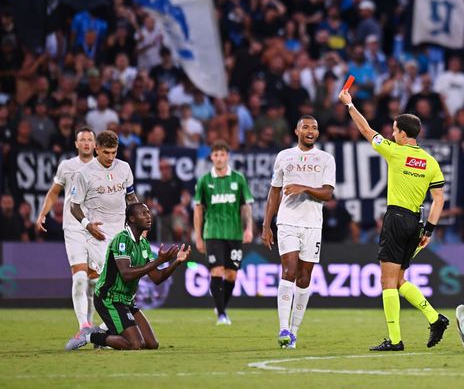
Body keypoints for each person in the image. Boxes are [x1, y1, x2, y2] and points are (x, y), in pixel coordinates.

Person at [338, 88, 449, 351]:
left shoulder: (395, 152)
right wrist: (430, 230)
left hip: (396, 219)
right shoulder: (430, 162)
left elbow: (366, 131)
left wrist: (350, 105)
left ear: (401, 133)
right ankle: (435, 318)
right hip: (416, 222)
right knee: (398, 281)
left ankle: (396, 340)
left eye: (394, 130)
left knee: (387, 282)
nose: (391, 133)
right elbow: (439, 199)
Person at [65, 203, 191, 350]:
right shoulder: (122, 240)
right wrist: (158, 261)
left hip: (127, 301)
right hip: (109, 299)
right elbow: (126, 274)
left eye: (148, 213)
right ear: (131, 219)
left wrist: (176, 262)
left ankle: (105, 333)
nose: (148, 216)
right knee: (135, 344)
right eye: (143, 214)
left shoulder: (143, 244)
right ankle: (88, 336)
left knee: (152, 344)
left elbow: (156, 278)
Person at [262, 115, 336, 349]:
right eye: (306, 127)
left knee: (304, 279)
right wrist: (266, 225)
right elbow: (274, 192)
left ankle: (293, 332)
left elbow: (327, 194)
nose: (311, 130)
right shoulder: (284, 157)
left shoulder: (326, 159)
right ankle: (283, 328)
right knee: (289, 271)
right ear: (297, 131)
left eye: (315, 127)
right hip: (287, 222)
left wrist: (304, 187)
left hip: (313, 224)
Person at [35, 127, 101, 342]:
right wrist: (43, 214)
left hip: (96, 229)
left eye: (90, 140)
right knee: (80, 278)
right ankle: (83, 325)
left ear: (94, 144)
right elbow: (54, 192)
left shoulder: (102, 166)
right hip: (73, 227)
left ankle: (89, 329)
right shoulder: (67, 166)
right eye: (82, 140)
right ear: (76, 144)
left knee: (93, 282)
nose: (86, 143)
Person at [194, 140, 254, 325]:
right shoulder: (204, 180)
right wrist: (198, 236)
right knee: (217, 271)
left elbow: (245, 206)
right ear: (211, 157)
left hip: (234, 233)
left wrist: (249, 228)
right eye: (216, 155)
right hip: (212, 232)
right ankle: (221, 314)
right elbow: (198, 209)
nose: (219, 158)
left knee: (231, 275)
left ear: (227, 156)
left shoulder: (238, 178)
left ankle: (221, 307)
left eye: (222, 155)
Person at [69, 130, 138, 279]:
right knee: (108, 273)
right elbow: (74, 206)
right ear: (97, 148)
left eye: (114, 152)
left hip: (122, 231)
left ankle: (111, 300)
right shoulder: (83, 174)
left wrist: (139, 220)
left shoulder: (124, 168)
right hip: (98, 233)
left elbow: (131, 197)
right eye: (106, 152)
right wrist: (87, 225)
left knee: (125, 275)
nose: (110, 157)